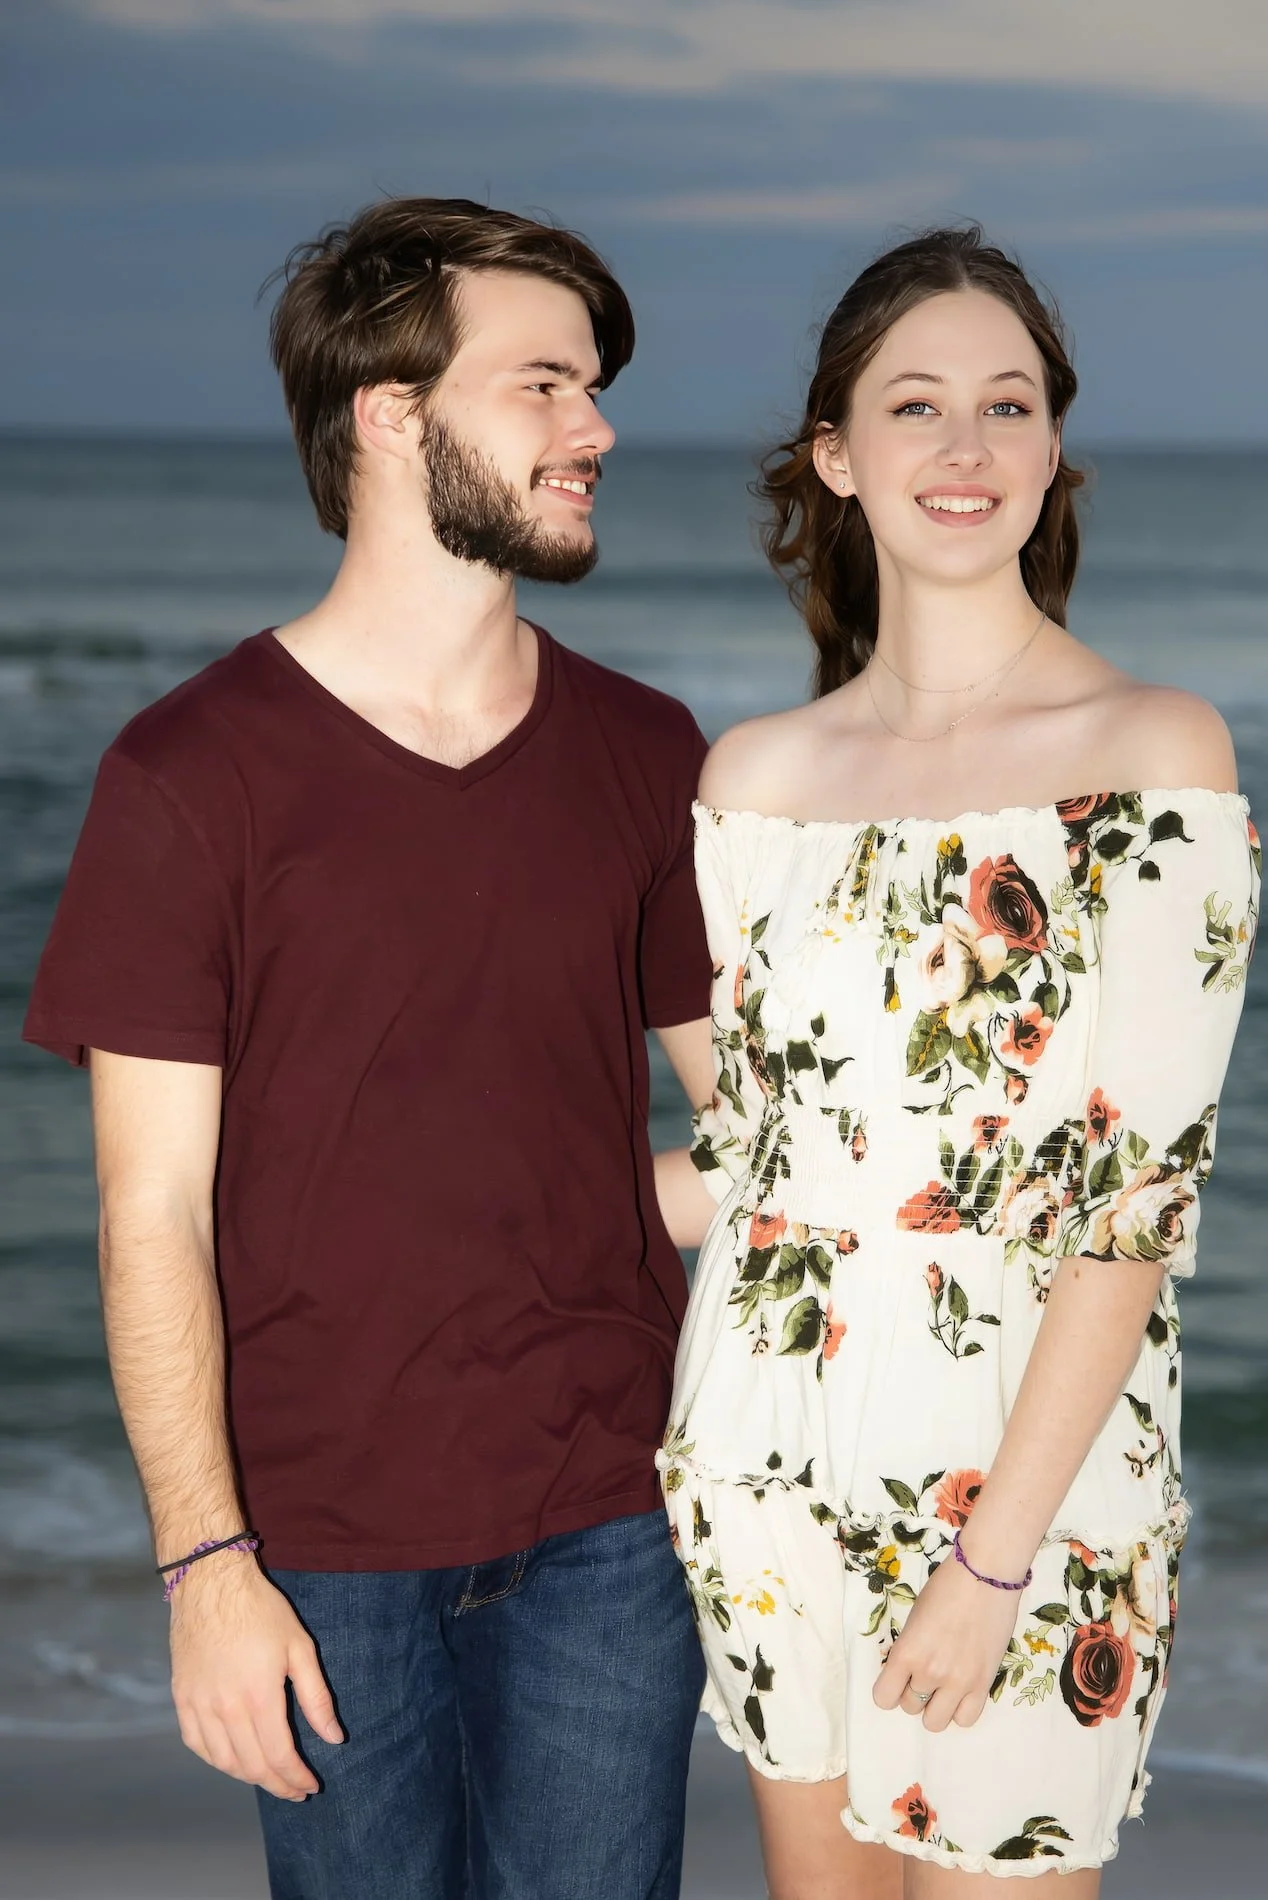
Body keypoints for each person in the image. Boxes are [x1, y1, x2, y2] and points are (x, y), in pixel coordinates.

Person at [23, 196, 716, 1900]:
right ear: (392, 416)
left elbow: (767, 1135)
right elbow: (152, 1217)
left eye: (596, 384)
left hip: (615, 1527)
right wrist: (205, 1565)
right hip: (318, 1547)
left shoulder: (645, 750)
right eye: (543, 383)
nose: (597, 427)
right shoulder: (189, 776)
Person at [653, 226, 1259, 1896]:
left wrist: (994, 1566)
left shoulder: (1154, 754)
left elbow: (1134, 1204)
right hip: (765, 1457)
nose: (968, 447)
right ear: (836, 457)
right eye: (916, 406)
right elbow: (757, 1159)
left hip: (1033, 1496)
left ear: (1054, 446)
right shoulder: (756, 779)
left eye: (1008, 404)